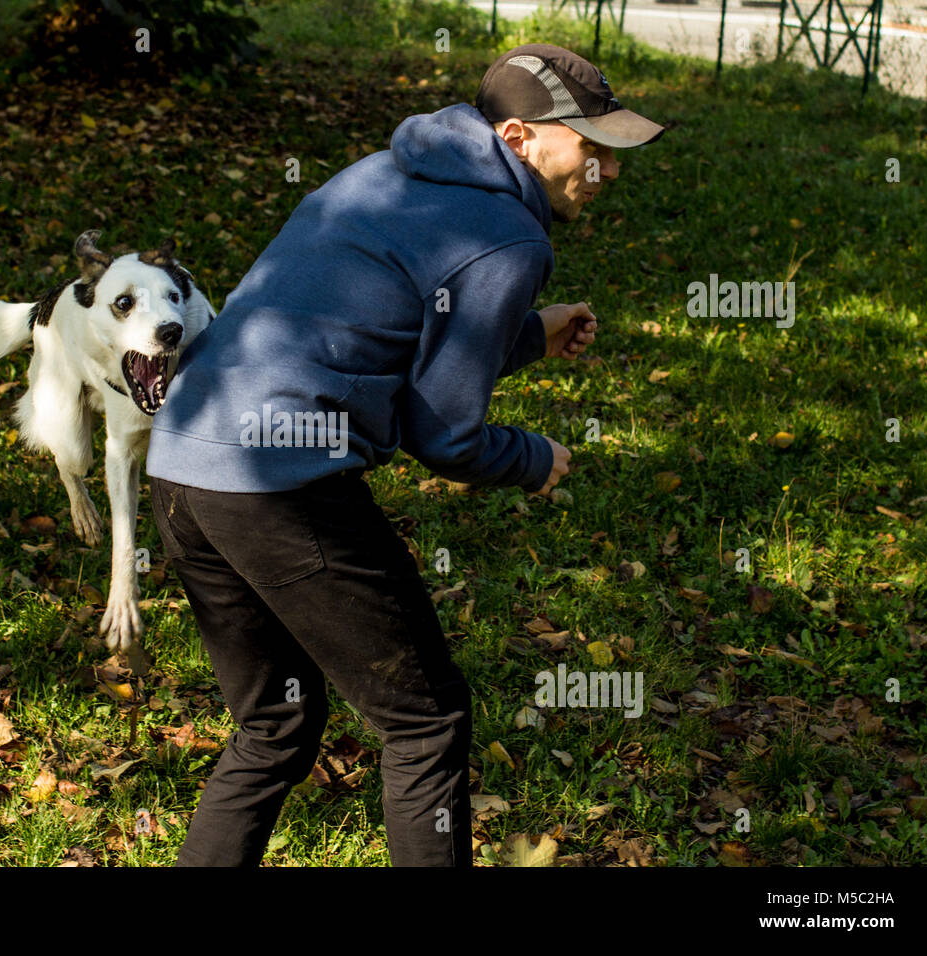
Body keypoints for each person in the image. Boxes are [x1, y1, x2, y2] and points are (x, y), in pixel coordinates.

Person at [145, 43, 666, 867]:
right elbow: (445, 436)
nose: (606, 169)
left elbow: (384, 328)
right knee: (425, 721)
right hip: (278, 484)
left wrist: (529, 331)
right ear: (523, 138)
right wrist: (532, 459)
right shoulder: (510, 239)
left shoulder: (386, 173)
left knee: (274, 723)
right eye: (591, 147)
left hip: (183, 459)